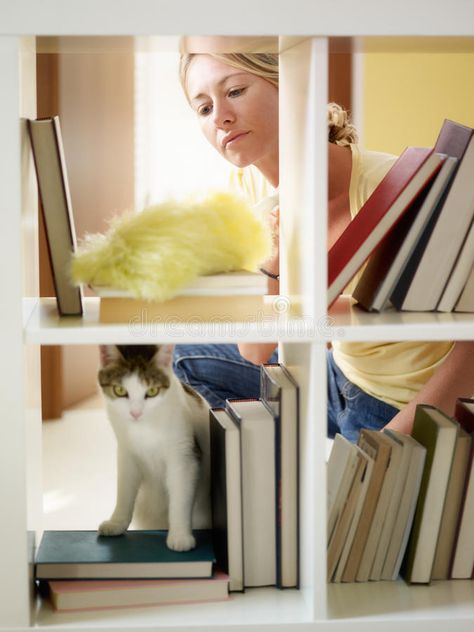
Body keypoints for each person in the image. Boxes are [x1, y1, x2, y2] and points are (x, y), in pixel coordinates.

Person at [173, 51, 474, 442]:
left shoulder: (397, 187)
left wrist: (399, 438)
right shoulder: (248, 191)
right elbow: (254, 349)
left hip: (397, 400)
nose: (220, 118)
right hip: (339, 372)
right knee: (192, 356)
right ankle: (272, 485)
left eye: (235, 91)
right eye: (204, 107)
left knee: (343, 504)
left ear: (291, 88)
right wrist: (272, 262)